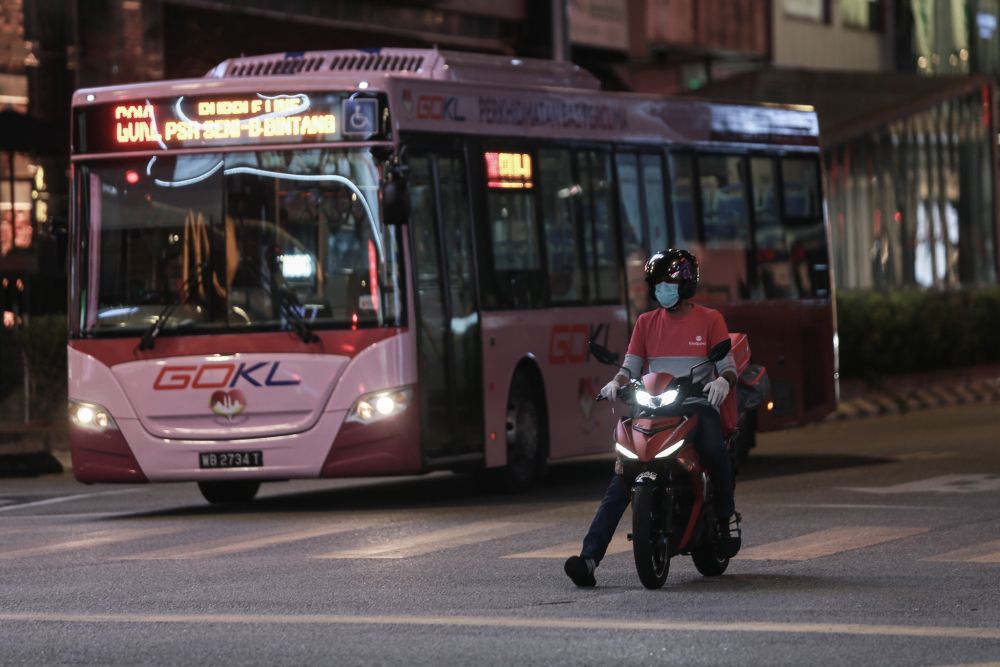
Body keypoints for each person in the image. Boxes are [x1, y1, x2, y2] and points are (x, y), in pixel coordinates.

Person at [564, 248, 741, 587]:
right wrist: (615, 383)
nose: (663, 288)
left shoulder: (710, 319)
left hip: (695, 405)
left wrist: (722, 381)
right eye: (657, 283)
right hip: (653, 407)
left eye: (669, 282)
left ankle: (724, 517)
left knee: (714, 448)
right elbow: (630, 367)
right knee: (622, 478)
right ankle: (588, 559)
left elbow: (727, 367)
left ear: (686, 285)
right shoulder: (646, 323)